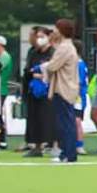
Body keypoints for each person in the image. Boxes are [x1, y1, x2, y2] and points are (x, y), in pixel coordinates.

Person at [43, 20, 81, 164]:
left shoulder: (65, 47)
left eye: (57, 28)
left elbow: (52, 66)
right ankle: (68, 153)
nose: (54, 31)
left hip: (64, 89)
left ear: (62, 30)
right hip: (67, 88)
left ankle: (67, 153)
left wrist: (44, 66)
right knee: (66, 121)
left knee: (65, 122)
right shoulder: (67, 46)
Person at [22, 28, 52, 158]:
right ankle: (36, 146)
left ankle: (54, 145)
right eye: (38, 36)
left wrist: (41, 75)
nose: (39, 39)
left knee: (48, 118)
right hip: (34, 90)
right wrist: (33, 74)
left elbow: (52, 70)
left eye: (42, 36)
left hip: (48, 91)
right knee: (34, 119)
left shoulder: (53, 53)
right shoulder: (33, 53)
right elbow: (28, 70)